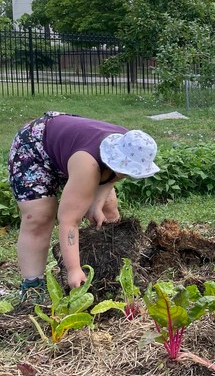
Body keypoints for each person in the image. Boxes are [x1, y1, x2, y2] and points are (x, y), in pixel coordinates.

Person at [8, 112, 160, 301]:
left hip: (72, 148)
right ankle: (33, 286)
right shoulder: (89, 164)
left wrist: (97, 204)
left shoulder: (128, 145)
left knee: (108, 208)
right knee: (39, 216)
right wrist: (73, 270)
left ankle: (117, 269)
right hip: (35, 147)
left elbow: (115, 174)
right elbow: (69, 221)